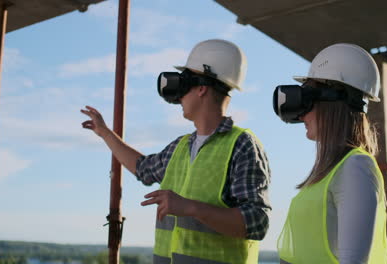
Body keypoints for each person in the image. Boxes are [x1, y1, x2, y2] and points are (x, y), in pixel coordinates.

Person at [81, 39, 271, 264]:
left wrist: (191, 208)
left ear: (201, 88)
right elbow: (143, 168)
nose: (179, 96)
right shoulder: (179, 147)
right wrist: (105, 133)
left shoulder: (242, 145)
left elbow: (257, 222)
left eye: (184, 85)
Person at [272, 43, 387, 264]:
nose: (301, 115)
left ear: (330, 101)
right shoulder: (332, 171)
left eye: (308, 99)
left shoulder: (356, 168)